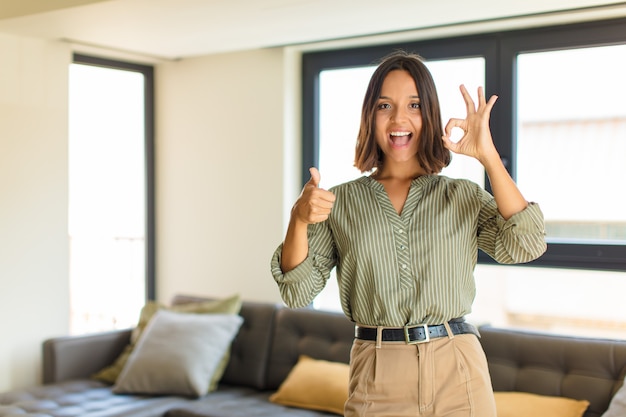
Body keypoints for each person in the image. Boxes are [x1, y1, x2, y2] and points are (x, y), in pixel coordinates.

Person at [270, 50, 546, 417]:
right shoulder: (343, 202)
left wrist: (488, 156)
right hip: (377, 374)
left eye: (414, 105)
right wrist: (298, 218)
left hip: (458, 370)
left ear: (428, 114)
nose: (399, 118)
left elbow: (526, 243)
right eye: (385, 105)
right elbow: (296, 290)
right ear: (371, 115)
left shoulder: (460, 195)